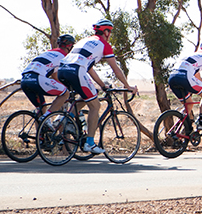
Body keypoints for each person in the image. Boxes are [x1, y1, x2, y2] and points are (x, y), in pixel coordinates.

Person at [58, 19, 139, 154]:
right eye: (110, 32)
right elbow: (116, 70)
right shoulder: (104, 44)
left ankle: (65, 120)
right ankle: (89, 142)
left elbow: (89, 68)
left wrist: (102, 85)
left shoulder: (84, 41)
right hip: (76, 70)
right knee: (95, 106)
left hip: (62, 70)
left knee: (90, 95)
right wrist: (128, 86)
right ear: (106, 32)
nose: (110, 34)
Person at [167, 40, 202, 133]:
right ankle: (201, 123)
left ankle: (176, 130)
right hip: (184, 77)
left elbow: (198, 77)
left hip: (172, 77)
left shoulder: (193, 55)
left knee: (189, 105)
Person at [20, 34, 76, 119]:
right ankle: (46, 118)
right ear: (70, 46)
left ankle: (41, 130)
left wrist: (62, 85)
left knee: (41, 108)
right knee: (65, 94)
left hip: (24, 80)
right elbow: (69, 75)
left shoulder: (48, 52)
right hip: (37, 79)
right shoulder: (65, 57)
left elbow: (55, 76)